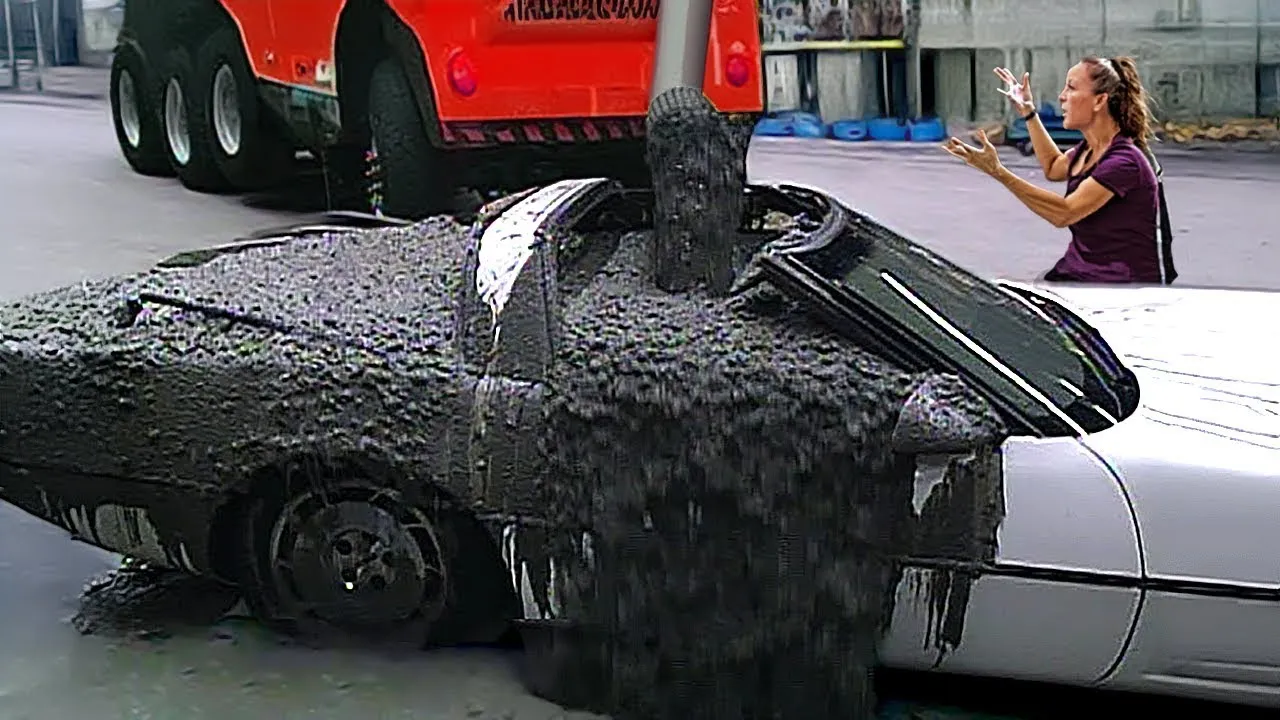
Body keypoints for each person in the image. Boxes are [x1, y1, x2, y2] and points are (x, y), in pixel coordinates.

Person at [942, 57, 1178, 284]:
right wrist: (1028, 112)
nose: (1062, 96)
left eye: (1071, 88)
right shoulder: (1089, 150)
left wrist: (998, 172)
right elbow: (1054, 167)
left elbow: (1064, 213)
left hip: (1117, 285)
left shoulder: (1124, 161)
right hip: (1079, 273)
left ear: (1099, 101)